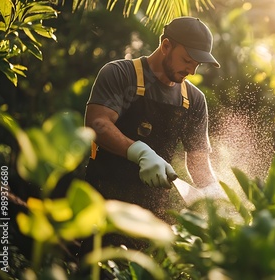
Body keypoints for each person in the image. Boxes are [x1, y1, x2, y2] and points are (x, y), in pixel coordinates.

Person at [82, 17, 221, 251]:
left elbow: (198, 163)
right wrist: (140, 153)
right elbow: (97, 124)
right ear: (166, 46)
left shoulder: (194, 100)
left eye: (197, 64)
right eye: (187, 60)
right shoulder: (120, 74)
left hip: (154, 217)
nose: (192, 71)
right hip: (104, 204)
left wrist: (216, 197)